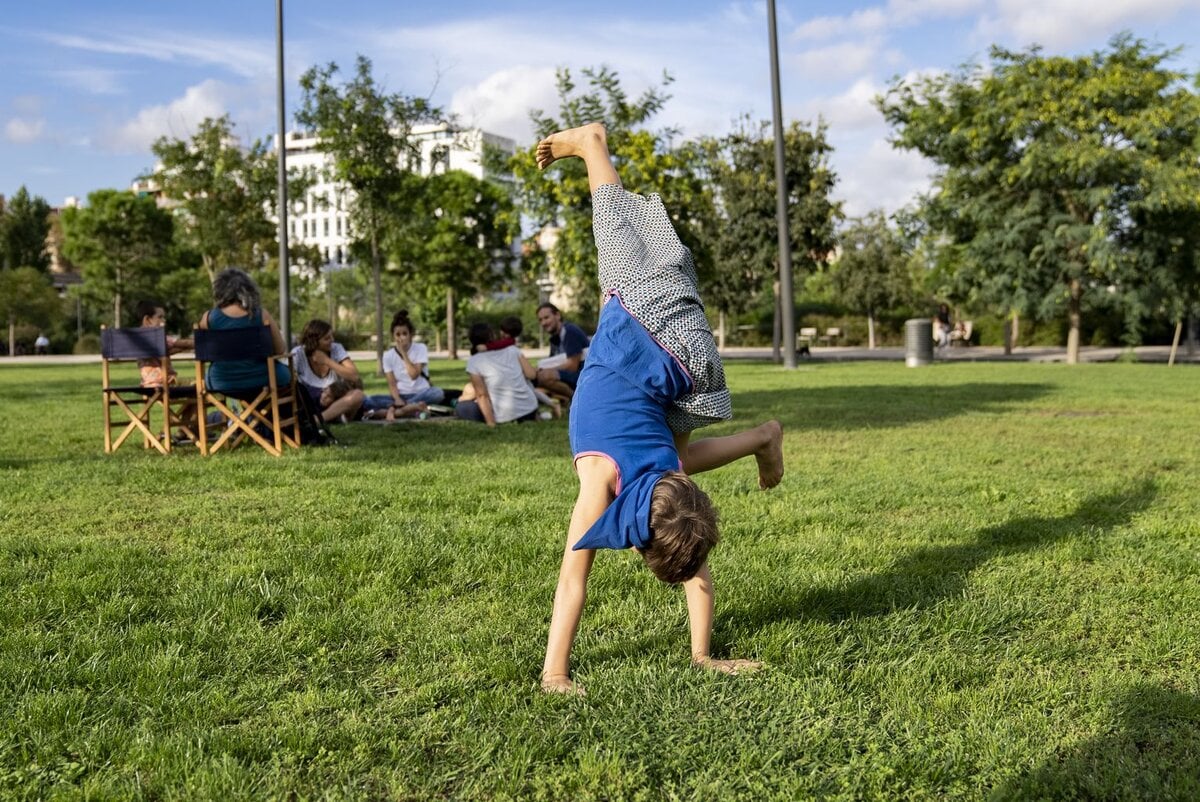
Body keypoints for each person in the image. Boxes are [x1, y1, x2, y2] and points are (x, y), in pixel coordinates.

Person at [536, 123, 784, 696]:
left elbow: (688, 553)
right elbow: (572, 579)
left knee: (685, 453)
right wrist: (554, 673)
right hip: (649, 322)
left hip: (690, 360)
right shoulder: (603, 480)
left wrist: (705, 658)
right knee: (613, 224)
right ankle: (592, 142)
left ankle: (763, 436)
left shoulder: (668, 482)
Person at [197, 268, 291, 393]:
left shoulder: (209, 318)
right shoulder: (262, 315)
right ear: (249, 290)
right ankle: (263, 412)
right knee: (286, 373)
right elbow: (280, 349)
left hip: (220, 381)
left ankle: (235, 413)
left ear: (219, 290)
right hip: (262, 378)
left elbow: (202, 347)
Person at [455, 322, 541, 426]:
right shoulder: (513, 350)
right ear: (493, 336)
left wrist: (491, 423)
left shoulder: (474, 361)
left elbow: (482, 395)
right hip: (529, 410)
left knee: (462, 407)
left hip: (504, 417)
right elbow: (532, 375)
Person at [375, 310, 447, 421]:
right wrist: (397, 399)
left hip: (421, 392)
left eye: (404, 334)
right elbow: (392, 383)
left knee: (437, 393)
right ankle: (410, 408)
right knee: (368, 400)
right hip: (402, 396)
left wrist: (403, 353)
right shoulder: (388, 356)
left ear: (411, 334)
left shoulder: (420, 348)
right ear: (393, 336)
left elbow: (413, 375)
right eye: (398, 334)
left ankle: (399, 410)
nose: (401, 338)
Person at [291, 319, 364, 423]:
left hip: (335, 397)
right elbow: (288, 380)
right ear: (314, 341)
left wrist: (327, 361)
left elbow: (354, 376)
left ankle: (317, 420)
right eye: (327, 338)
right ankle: (334, 417)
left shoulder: (336, 348)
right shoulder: (298, 353)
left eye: (331, 336)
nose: (332, 340)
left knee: (358, 395)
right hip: (311, 400)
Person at [535, 302, 589, 400]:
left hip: (584, 376)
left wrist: (547, 370)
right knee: (535, 379)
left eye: (546, 318)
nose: (543, 323)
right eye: (540, 320)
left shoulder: (569, 332)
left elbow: (572, 366)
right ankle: (562, 400)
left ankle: (577, 400)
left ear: (558, 315)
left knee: (545, 376)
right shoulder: (554, 338)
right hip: (570, 375)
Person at [134, 300, 194, 388]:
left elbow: (167, 351)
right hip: (168, 382)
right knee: (201, 386)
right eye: (160, 317)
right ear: (147, 320)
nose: (164, 320)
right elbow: (186, 343)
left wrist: (184, 347)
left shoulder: (136, 339)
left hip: (147, 384)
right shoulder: (157, 337)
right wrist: (202, 341)